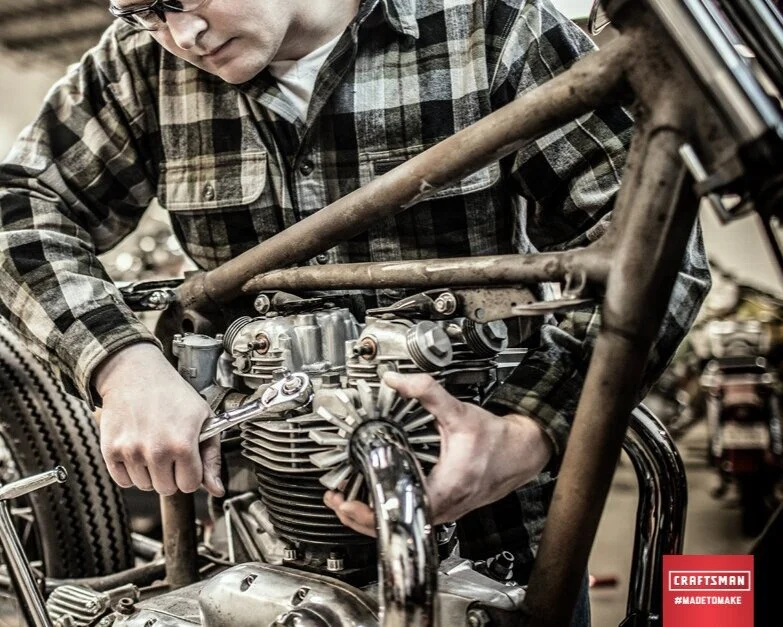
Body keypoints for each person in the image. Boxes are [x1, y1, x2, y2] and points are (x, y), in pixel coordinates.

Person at [0, 0, 710, 623]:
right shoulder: (135, 66)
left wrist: (525, 430)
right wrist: (121, 362)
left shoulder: (491, 27)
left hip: (490, 544)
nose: (181, 35)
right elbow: (20, 203)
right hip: (254, 544)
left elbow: (656, 243)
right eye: (141, 11)